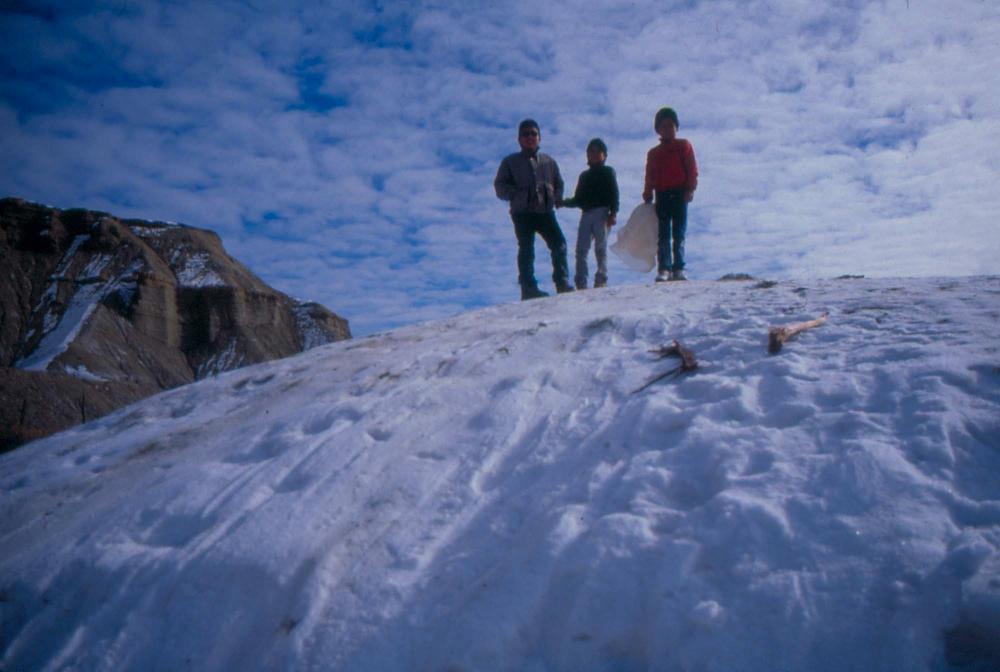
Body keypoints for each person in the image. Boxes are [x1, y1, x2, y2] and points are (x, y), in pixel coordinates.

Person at [494, 119, 574, 300]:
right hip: (522, 213)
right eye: (526, 134)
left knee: (559, 244)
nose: (530, 137)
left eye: (533, 133)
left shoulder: (549, 161)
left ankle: (562, 283)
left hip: (545, 211)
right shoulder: (510, 162)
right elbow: (499, 187)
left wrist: (556, 197)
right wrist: (518, 194)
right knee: (526, 249)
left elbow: (558, 182)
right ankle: (528, 289)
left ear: (539, 137)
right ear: (519, 139)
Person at [642, 107, 698, 281]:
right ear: (658, 130)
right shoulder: (653, 153)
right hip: (662, 195)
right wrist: (647, 193)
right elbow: (649, 174)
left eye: (670, 125)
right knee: (663, 234)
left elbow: (692, 168)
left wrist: (690, 188)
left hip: (680, 193)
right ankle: (664, 268)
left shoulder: (684, 146)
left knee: (679, 232)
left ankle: (679, 267)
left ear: (676, 127)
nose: (667, 129)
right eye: (663, 126)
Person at [561, 137, 619, 289]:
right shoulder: (584, 176)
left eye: (597, 151)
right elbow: (579, 199)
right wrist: (564, 203)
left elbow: (614, 193)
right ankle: (581, 281)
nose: (593, 154)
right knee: (581, 249)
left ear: (604, 155)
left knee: (600, 247)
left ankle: (601, 278)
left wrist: (613, 213)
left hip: (602, 212)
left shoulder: (608, 172)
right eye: (590, 151)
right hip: (586, 213)